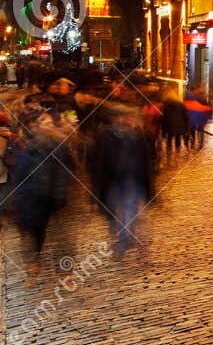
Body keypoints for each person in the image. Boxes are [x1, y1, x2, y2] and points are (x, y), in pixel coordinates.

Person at [7, 111, 76, 266]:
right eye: (46, 122)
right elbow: (18, 171)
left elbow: (68, 169)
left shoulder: (59, 145)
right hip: (30, 196)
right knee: (33, 228)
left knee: (44, 230)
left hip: (51, 198)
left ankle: (49, 263)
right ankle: (33, 260)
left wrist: (60, 193)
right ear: (34, 126)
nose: (50, 126)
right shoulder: (24, 144)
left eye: (51, 123)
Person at [87, 102, 152, 254]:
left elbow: (146, 159)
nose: (127, 120)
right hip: (113, 181)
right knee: (115, 210)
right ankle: (119, 236)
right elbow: (95, 161)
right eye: (123, 117)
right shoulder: (104, 136)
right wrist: (95, 183)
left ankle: (124, 241)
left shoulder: (138, 135)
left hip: (133, 179)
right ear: (115, 119)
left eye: (129, 116)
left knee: (129, 209)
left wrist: (148, 182)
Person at [160, 94, 188, 159]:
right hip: (179, 126)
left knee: (169, 139)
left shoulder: (166, 106)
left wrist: (163, 131)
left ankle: (169, 156)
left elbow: (164, 118)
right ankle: (177, 155)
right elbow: (186, 117)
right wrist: (186, 127)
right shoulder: (181, 105)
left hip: (169, 127)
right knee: (177, 139)